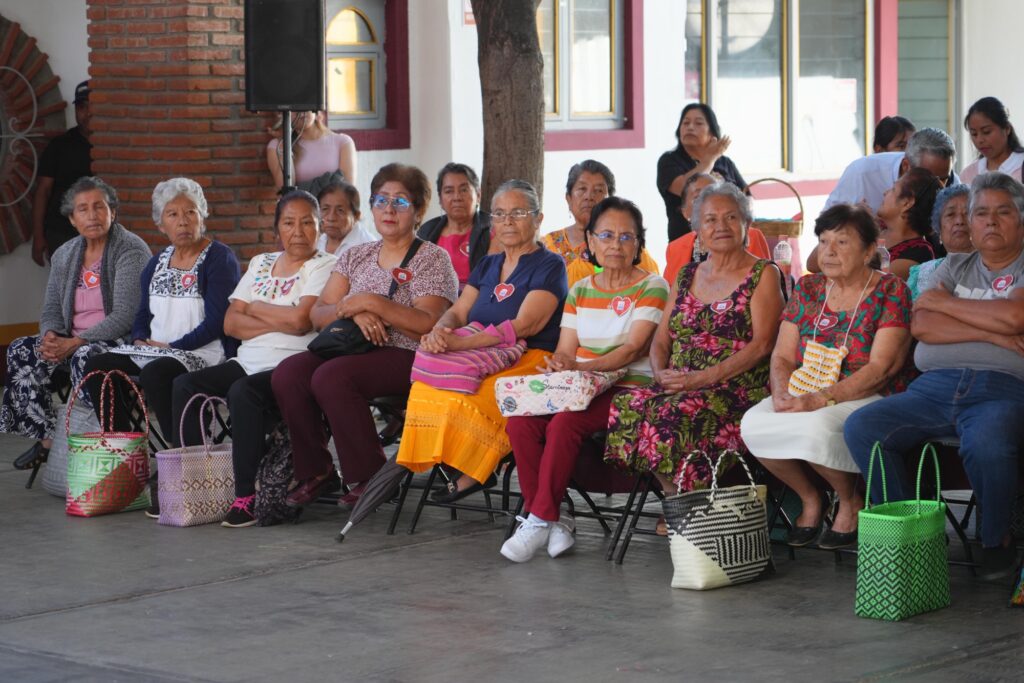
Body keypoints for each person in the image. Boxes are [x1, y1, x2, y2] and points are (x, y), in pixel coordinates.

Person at [844, 172, 1024, 578]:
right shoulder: (955, 265)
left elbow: (1016, 315)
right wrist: (993, 331)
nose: (990, 221)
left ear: (1021, 219)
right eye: (981, 213)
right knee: (864, 427)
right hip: (932, 389)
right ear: (971, 223)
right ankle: (913, 538)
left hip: (1003, 389)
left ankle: (996, 540)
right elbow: (922, 324)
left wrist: (946, 305)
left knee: (987, 442)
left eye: (1003, 212)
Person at [272, 164, 457, 513]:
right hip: (352, 346)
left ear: (418, 210)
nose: (389, 209)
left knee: (333, 376)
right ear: (371, 206)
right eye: (381, 200)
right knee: (289, 373)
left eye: (400, 202)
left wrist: (372, 302)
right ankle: (318, 470)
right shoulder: (357, 255)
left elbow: (428, 324)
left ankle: (371, 475)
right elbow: (319, 313)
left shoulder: (433, 259)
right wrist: (355, 311)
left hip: (409, 354)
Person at [501, 197, 669, 562]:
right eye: (606, 235)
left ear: (638, 244)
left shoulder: (653, 286)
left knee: (566, 423)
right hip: (580, 387)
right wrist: (559, 365)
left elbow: (632, 349)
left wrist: (578, 368)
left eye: (626, 236)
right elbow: (566, 350)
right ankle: (556, 517)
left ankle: (538, 517)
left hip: (630, 389)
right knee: (520, 422)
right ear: (590, 241)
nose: (615, 244)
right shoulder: (580, 290)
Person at [741, 204, 914, 550]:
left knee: (814, 427)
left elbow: (882, 368)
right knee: (753, 425)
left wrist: (818, 399)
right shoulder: (809, 289)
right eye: (823, 241)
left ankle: (849, 499)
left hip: (867, 392)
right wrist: (781, 392)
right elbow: (782, 355)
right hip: (806, 385)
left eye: (842, 242)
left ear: (868, 250)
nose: (829, 251)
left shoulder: (890, 290)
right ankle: (810, 496)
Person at [604, 183, 784, 506]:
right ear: (698, 229)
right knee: (628, 403)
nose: (721, 226)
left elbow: (763, 345)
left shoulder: (763, 274)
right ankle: (676, 497)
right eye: (711, 219)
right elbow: (661, 339)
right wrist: (660, 374)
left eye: (731, 217)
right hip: (682, 384)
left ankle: (683, 504)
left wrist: (699, 379)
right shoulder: (687, 274)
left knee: (672, 413)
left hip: (737, 388)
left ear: (746, 224)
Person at [171, 190, 336, 527]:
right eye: (289, 223)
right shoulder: (261, 262)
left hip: (291, 366)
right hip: (247, 361)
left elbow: (301, 321)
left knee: (243, 392)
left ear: (320, 228)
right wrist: (279, 317)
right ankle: (195, 484)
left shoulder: (325, 265)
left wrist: (256, 308)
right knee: (185, 384)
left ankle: (245, 495)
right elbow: (231, 324)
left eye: (308, 223)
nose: (298, 231)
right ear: (277, 229)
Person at [396, 179, 568, 503]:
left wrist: (459, 345)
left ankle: (476, 470)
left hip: (529, 357)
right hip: (478, 353)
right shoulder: (488, 264)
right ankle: (451, 463)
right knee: (425, 388)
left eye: (518, 213)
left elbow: (526, 324)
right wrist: (440, 332)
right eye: (500, 214)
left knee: (480, 393)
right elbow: (459, 311)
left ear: (538, 219)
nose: (507, 221)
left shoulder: (550, 265)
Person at [2, 177, 150, 471]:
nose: (92, 215)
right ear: (72, 218)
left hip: (117, 341)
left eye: (99, 207)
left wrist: (76, 342)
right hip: (71, 341)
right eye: (83, 209)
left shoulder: (130, 250)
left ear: (113, 212)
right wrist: (51, 336)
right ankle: (47, 440)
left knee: (86, 357)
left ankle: (106, 441)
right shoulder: (65, 254)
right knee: (21, 350)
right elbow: (51, 309)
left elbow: (125, 315)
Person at [80, 178, 241, 442]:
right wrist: (139, 339)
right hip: (157, 350)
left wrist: (173, 347)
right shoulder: (157, 262)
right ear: (161, 224)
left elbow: (217, 321)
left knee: (156, 373)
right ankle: (125, 446)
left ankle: (182, 449)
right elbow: (142, 314)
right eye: (173, 214)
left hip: (202, 352)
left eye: (191, 212)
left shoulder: (219, 258)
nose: (183, 221)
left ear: (202, 217)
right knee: (97, 366)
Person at [543, 160, 659, 285]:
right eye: (582, 189)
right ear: (569, 199)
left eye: (598, 190)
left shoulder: (627, 245)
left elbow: (651, 285)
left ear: (610, 201)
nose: (589, 196)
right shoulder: (548, 245)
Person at [657, 103, 748, 241]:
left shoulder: (724, 162)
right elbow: (684, 188)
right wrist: (709, 160)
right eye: (685, 123)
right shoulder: (669, 160)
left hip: (727, 238)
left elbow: (746, 196)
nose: (690, 127)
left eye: (698, 123)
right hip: (688, 242)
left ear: (712, 132)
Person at [663, 174, 772, 284]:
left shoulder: (751, 237)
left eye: (715, 192)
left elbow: (763, 282)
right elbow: (668, 290)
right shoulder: (675, 248)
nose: (710, 201)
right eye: (698, 197)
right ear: (685, 212)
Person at [31, 80, 93, 264]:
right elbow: (43, 191)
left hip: (102, 234)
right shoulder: (59, 146)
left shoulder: (114, 147)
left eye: (93, 106)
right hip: (62, 234)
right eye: (82, 107)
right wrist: (38, 236)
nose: (88, 113)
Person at [823, 127, 957, 213]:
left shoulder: (953, 183)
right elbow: (826, 224)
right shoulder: (862, 173)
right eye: (927, 179)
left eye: (943, 180)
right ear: (906, 166)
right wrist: (854, 220)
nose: (938, 188)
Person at [417, 163, 494, 290]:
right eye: (449, 191)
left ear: (478, 195)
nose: (457, 197)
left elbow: (493, 279)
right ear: (440, 200)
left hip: (478, 297)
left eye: (464, 190)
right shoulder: (426, 232)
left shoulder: (492, 229)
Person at [907, 184, 973, 299]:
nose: (959, 221)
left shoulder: (995, 270)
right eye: (950, 214)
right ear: (939, 230)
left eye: (967, 213)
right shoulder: (920, 274)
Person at [875, 167, 941, 280]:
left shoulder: (917, 254)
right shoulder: (876, 227)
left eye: (893, 189)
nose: (885, 193)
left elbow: (869, 285)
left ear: (907, 203)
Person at [266, 111, 357, 192]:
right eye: (294, 108)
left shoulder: (342, 142)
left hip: (332, 205)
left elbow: (348, 190)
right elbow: (283, 187)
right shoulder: (277, 146)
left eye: (305, 105)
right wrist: (285, 141)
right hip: (299, 205)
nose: (301, 112)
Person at [959, 97, 1024, 184]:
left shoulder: (1020, 165)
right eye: (974, 134)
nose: (979, 140)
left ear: (1007, 128)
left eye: (986, 132)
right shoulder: (968, 175)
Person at [315, 179, 377, 256]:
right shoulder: (316, 240)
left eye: (340, 210)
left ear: (356, 216)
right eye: (325, 209)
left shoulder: (368, 248)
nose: (331, 218)